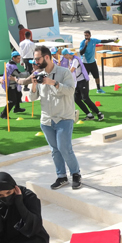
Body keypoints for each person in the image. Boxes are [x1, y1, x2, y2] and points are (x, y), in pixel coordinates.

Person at [28, 45, 83, 190]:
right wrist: (33, 85)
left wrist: (53, 83)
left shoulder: (64, 72)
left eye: (37, 59)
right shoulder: (38, 74)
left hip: (64, 117)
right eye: (34, 59)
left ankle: (76, 174)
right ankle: (61, 176)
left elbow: (70, 91)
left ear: (47, 57)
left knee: (65, 148)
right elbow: (32, 98)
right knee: (54, 150)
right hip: (46, 120)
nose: (35, 62)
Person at [63, 47, 104, 121]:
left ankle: (99, 113)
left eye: (64, 55)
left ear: (67, 54)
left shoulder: (75, 60)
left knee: (85, 98)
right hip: (77, 82)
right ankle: (89, 115)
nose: (64, 57)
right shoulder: (70, 60)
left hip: (82, 81)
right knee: (76, 99)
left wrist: (63, 74)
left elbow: (71, 70)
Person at [79, 29, 116, 93]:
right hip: (85, 63)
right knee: (85, 78)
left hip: (92, 62)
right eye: (85, 36)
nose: (86, 37)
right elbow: (81, 53)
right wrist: (85, 45)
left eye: (87, 35)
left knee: (97, 77)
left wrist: (112, 40)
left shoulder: (94, 40)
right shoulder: (83, 43)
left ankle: (98, 89)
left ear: (90, 35)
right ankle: (85, 91)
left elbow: (103, 41)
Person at [0, 52, 25, 118]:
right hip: (10, 86)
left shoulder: (10, 64)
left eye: (20, 58)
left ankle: (17, 108)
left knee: (19, 95)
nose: (19, 60)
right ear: (13, 58)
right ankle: (3, 114)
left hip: (14, 84)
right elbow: (20, 74)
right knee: (12, 101)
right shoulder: (12, 66)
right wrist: (30, 74)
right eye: (18, 58)